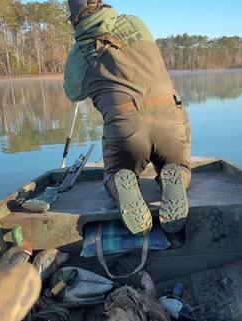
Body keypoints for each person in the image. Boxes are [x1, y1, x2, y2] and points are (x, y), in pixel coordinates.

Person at [64, 0, 191, 235]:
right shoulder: (135, 23)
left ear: (74, 19)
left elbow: (73, 93)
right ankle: (173, 176)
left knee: (115, 174)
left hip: (125, 127)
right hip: (171, 119)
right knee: (178, 166)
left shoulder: (77, 57)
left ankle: (122, 178)